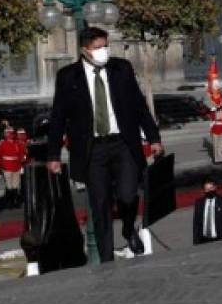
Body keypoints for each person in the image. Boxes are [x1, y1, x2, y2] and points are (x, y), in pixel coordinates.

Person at [47, 26, 162, 262]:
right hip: (93, 149)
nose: (103, 51)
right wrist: (53, 155)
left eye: (105, 46)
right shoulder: (68, 76)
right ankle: (107, 259)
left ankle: (129, 229)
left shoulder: (121, 69)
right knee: (100, 206)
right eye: (98, 47)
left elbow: (139, 105)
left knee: (128, 195)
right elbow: (58, 116)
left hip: (123, 143)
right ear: (84, 50)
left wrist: (153, 138)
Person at [193, 178, 222, 245]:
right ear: (204, 190)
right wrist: (195, 241)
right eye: (207, 189)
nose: (210, 191)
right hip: (204, 240)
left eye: (211, 188)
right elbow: (196, 224)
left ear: (215, 187)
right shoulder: (199, 203)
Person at [0, 127, 24, 208]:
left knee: (15, 185)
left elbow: (21, 153)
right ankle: (9, 202)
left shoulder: (17, 143)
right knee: (9, 186)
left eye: (11, 133)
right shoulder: (2, 144)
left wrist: (21, 161)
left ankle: (15, 201)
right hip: (7, 166)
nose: (10, 134)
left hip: (16, 166)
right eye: (8, 133)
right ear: (5, 134)